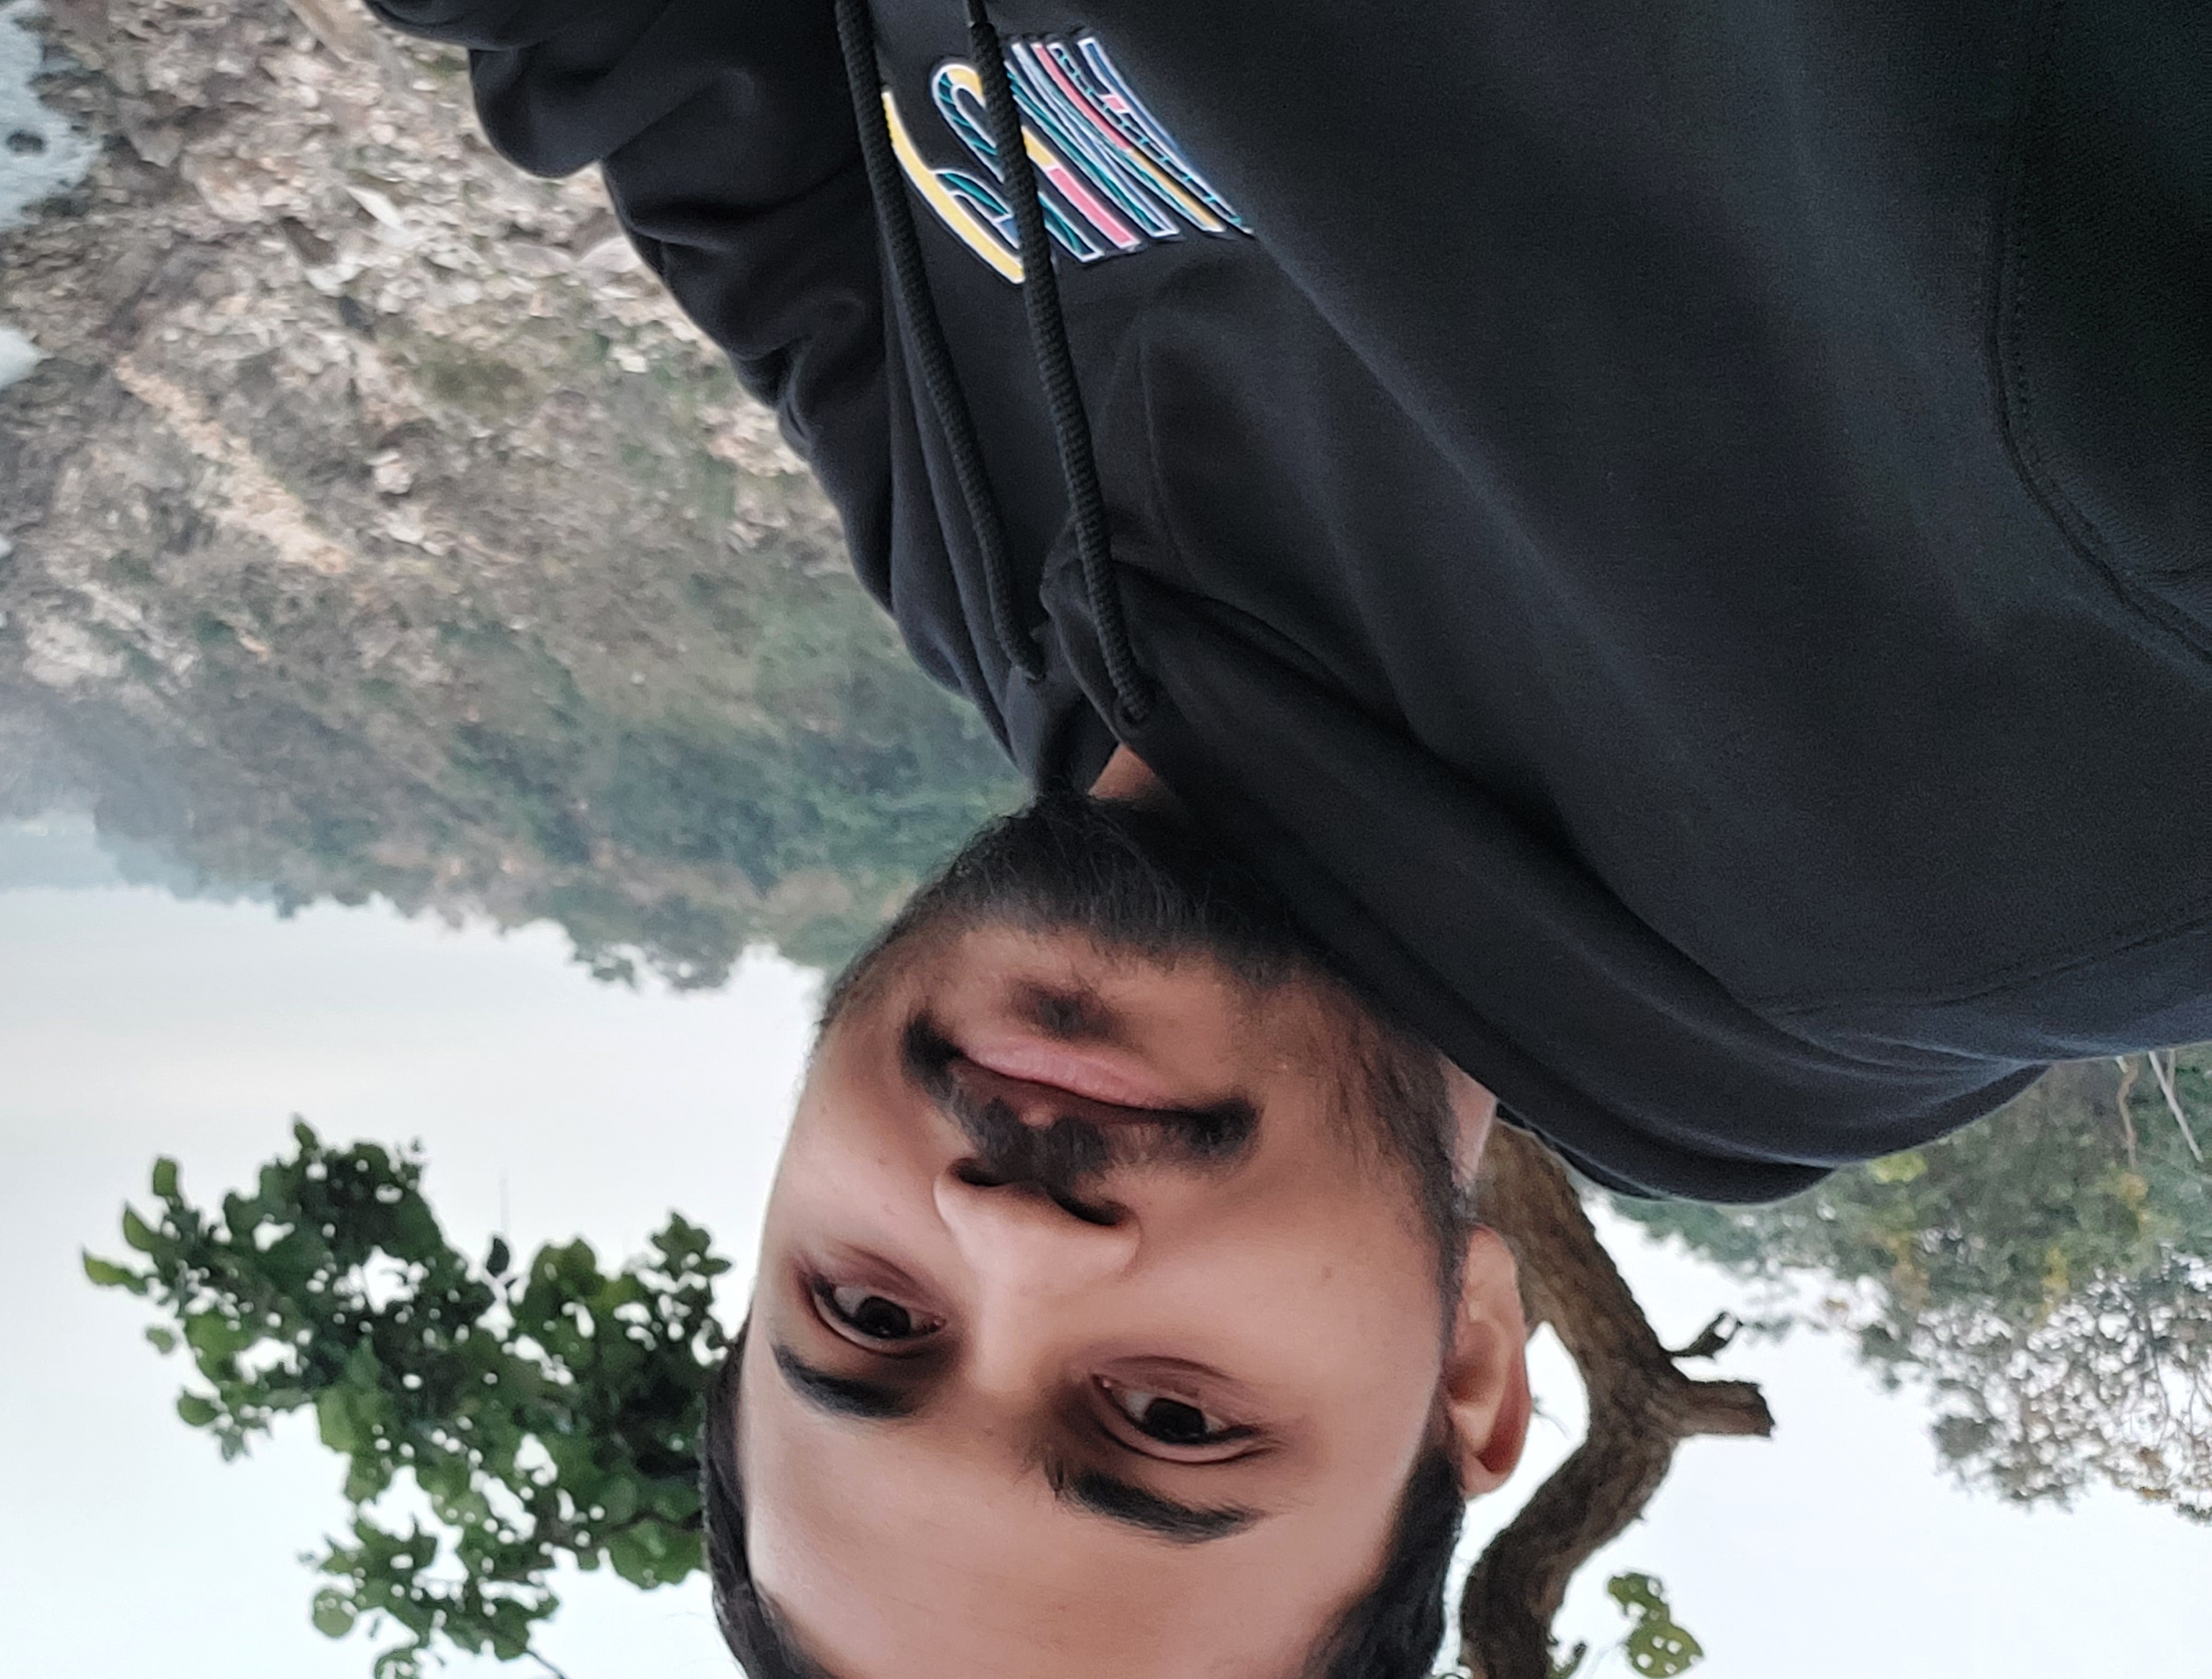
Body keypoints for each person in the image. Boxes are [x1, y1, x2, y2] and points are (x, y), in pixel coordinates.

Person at [359, 0, 2210, 1673]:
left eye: (865, 1316)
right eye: (1170, 1421)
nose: (1006, 1240)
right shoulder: (2084, 799)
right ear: (1468, 1372)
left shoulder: (1002, 591)